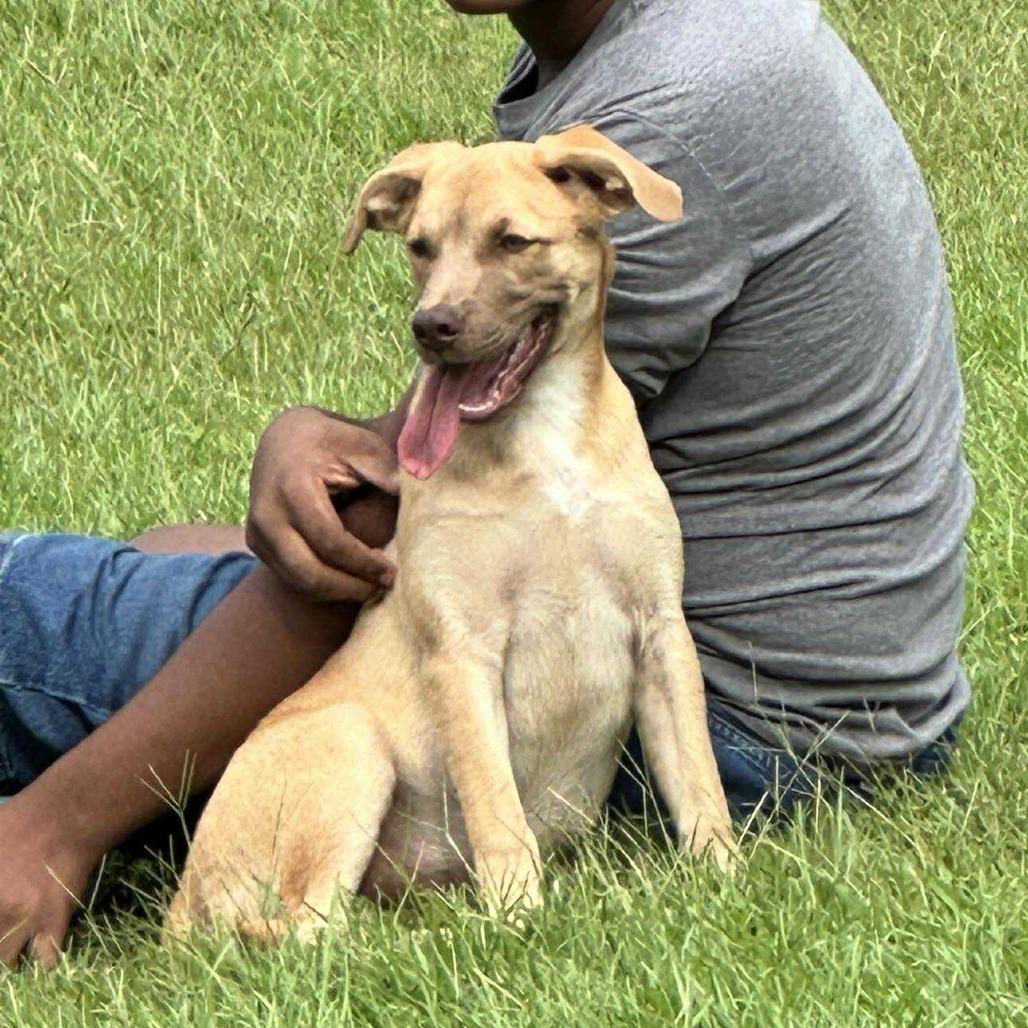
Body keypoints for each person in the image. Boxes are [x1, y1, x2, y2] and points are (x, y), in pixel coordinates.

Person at [0, 0, 972, 967]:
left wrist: (59, 821)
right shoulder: (700, 30)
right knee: (183, 546)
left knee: (33, 606)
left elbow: (395, 512)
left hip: (726, 722)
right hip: (843, 682)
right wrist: (310, 446)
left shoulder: (663, 107)